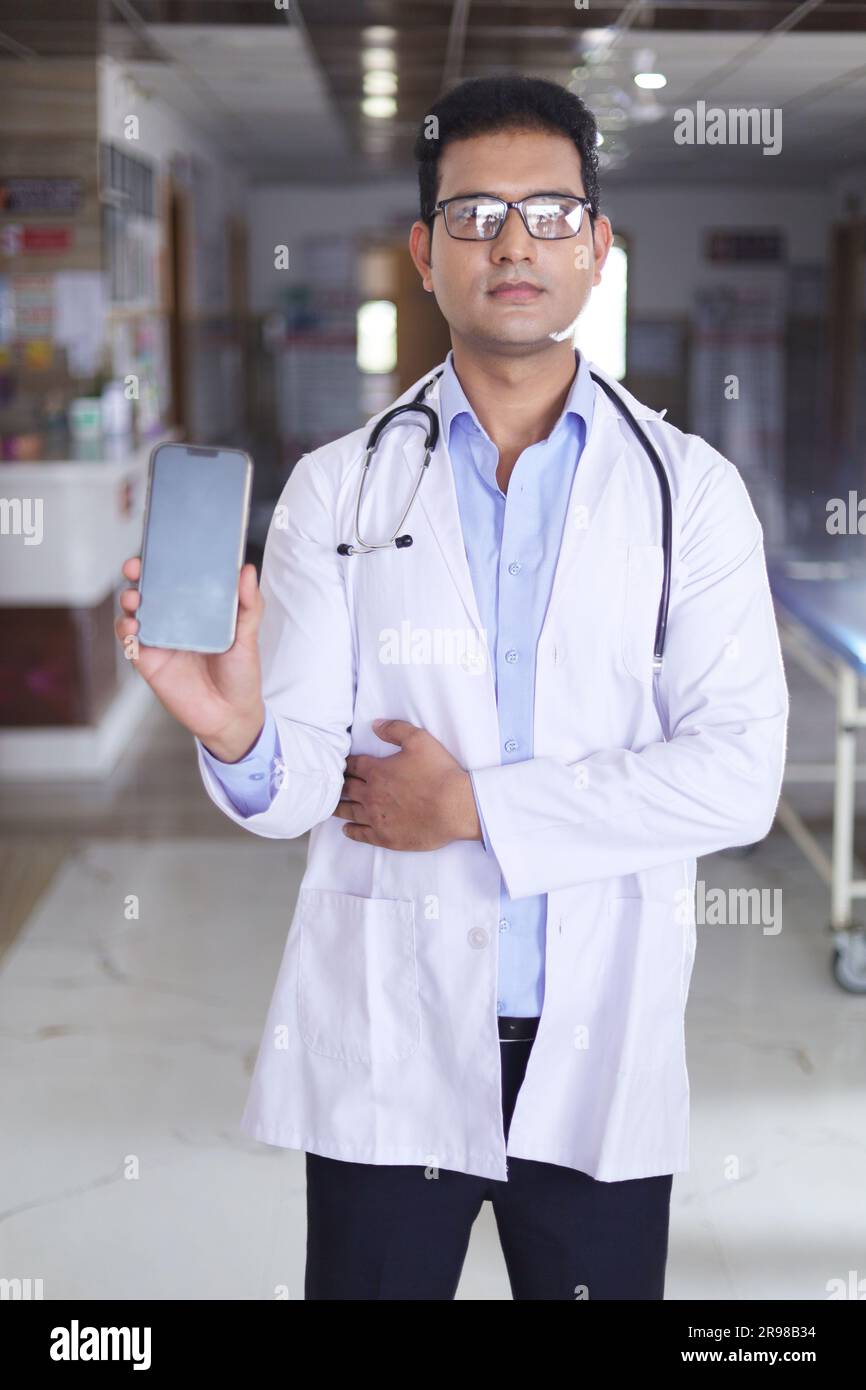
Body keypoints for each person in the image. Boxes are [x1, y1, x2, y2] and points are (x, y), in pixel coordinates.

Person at [114, 75, 789, 1300]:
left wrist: (471, 806)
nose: (513, 243)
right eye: (474, 215)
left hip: (597, 1041)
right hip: (387, 1036)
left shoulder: (688, 493)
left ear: (597, 248)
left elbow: (735, 778)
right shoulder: (335, 488)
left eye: (547, 212)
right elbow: (309, 779)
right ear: (425, 254)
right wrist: (240, 728)